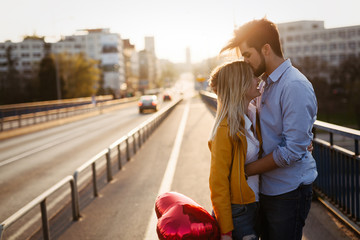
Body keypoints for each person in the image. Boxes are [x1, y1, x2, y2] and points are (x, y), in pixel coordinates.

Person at [221, 18, 318, 240]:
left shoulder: (294, 86)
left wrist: (243, 171)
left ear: (266, 49)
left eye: (247, 55)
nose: (245, 62)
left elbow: (291, 151)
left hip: (288, 192)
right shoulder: (263, 85)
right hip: (265, 189)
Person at [208, 60, 263, 240]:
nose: (258, 79)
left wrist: (300, 145)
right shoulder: (225, 130)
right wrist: (225, 231)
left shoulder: (252, 117)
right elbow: (218, 184)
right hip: (238, 212)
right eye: (252, 76)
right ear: (239, 84)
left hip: (257, 204)